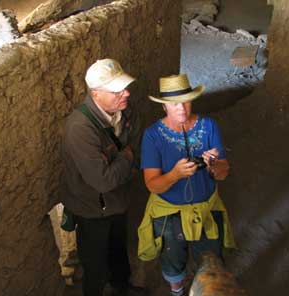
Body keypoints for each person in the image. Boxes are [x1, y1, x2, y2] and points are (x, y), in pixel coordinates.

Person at [137, 74, 236, 296]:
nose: (181, 108)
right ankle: (178, 291)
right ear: (164, 106)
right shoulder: (153, 136)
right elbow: (153, 185)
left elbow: (223, 173)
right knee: (173, 260)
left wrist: (214, 166)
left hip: (206, 208)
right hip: (170, 212)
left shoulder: (208, 126)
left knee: (211, 260)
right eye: (174, 103)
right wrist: (174, 175)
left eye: (186, 100)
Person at [61, 58, 141, 296]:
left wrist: (123, 160)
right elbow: (102, 181)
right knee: (95, 264)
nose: (126, 93)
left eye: (125, 87)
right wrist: (126, 157)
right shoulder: (80, 128)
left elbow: (136, 149)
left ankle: (122, 287)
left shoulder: (126, 112)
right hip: (92, 208)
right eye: (117, 90)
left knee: (118, 250)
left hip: (118, 200)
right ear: (96, 94)